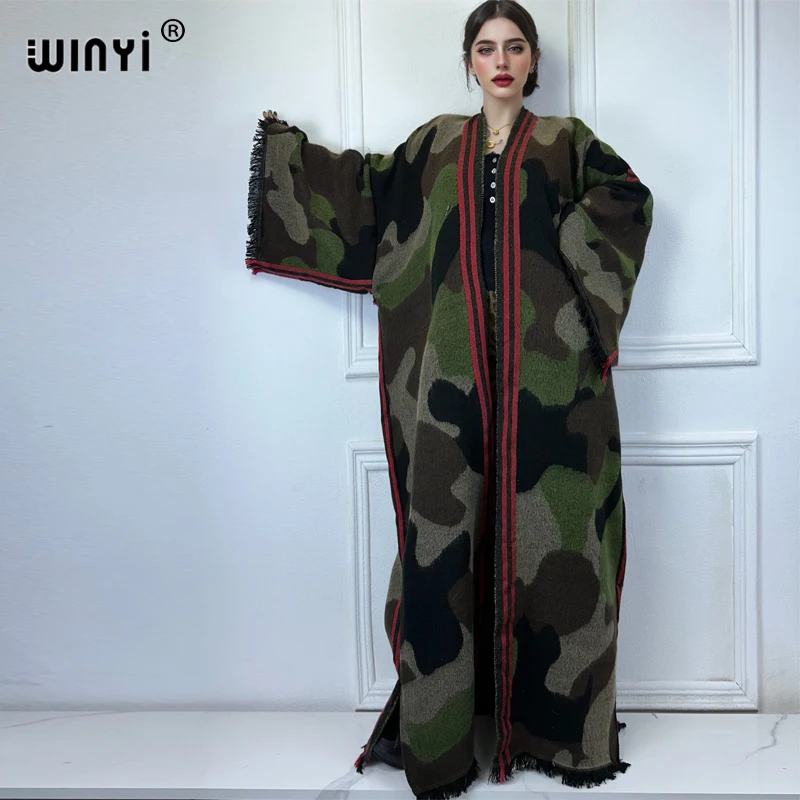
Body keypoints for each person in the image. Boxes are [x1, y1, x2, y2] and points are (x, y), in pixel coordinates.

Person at [246, 2, 653, 798]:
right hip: (449, 391)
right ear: (468, 61)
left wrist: (556, 264)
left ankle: (558, 733)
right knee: (442, 545)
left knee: (565, 548)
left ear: (533, 61)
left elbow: (627, 203)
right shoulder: (433, 146)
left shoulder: (570, 143)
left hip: (552, 389)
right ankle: (443, 736)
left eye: (515, 47)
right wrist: (285, 154)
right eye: (486, 47)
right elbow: (368, 199)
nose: (501, 60)